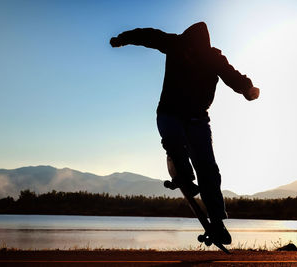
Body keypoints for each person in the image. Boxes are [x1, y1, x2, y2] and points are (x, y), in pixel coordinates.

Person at [110, 22, 259, 244]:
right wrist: (124, 38)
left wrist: (247, 88)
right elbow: (148, 35)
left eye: (194, 53)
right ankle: (184, 174)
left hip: (197, 119)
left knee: (208, 168)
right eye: (188, 51)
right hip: (170, 113)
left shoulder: (213, 57)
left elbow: (231, 75)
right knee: (173, 137)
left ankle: (217, 222)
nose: (190, 56)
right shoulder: (175, 43)